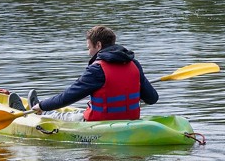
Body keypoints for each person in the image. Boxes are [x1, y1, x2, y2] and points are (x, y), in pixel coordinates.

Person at [25, 25, 159, 122]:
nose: (88, 53)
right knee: (79, 111)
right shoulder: (134, 64)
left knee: (59, 116)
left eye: (89, 48)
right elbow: (152, 98)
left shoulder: (97, 69)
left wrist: (43, 105)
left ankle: (38, 113)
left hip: (100, 123)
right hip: (130, 120)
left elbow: (68, 96)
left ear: (98, 45)